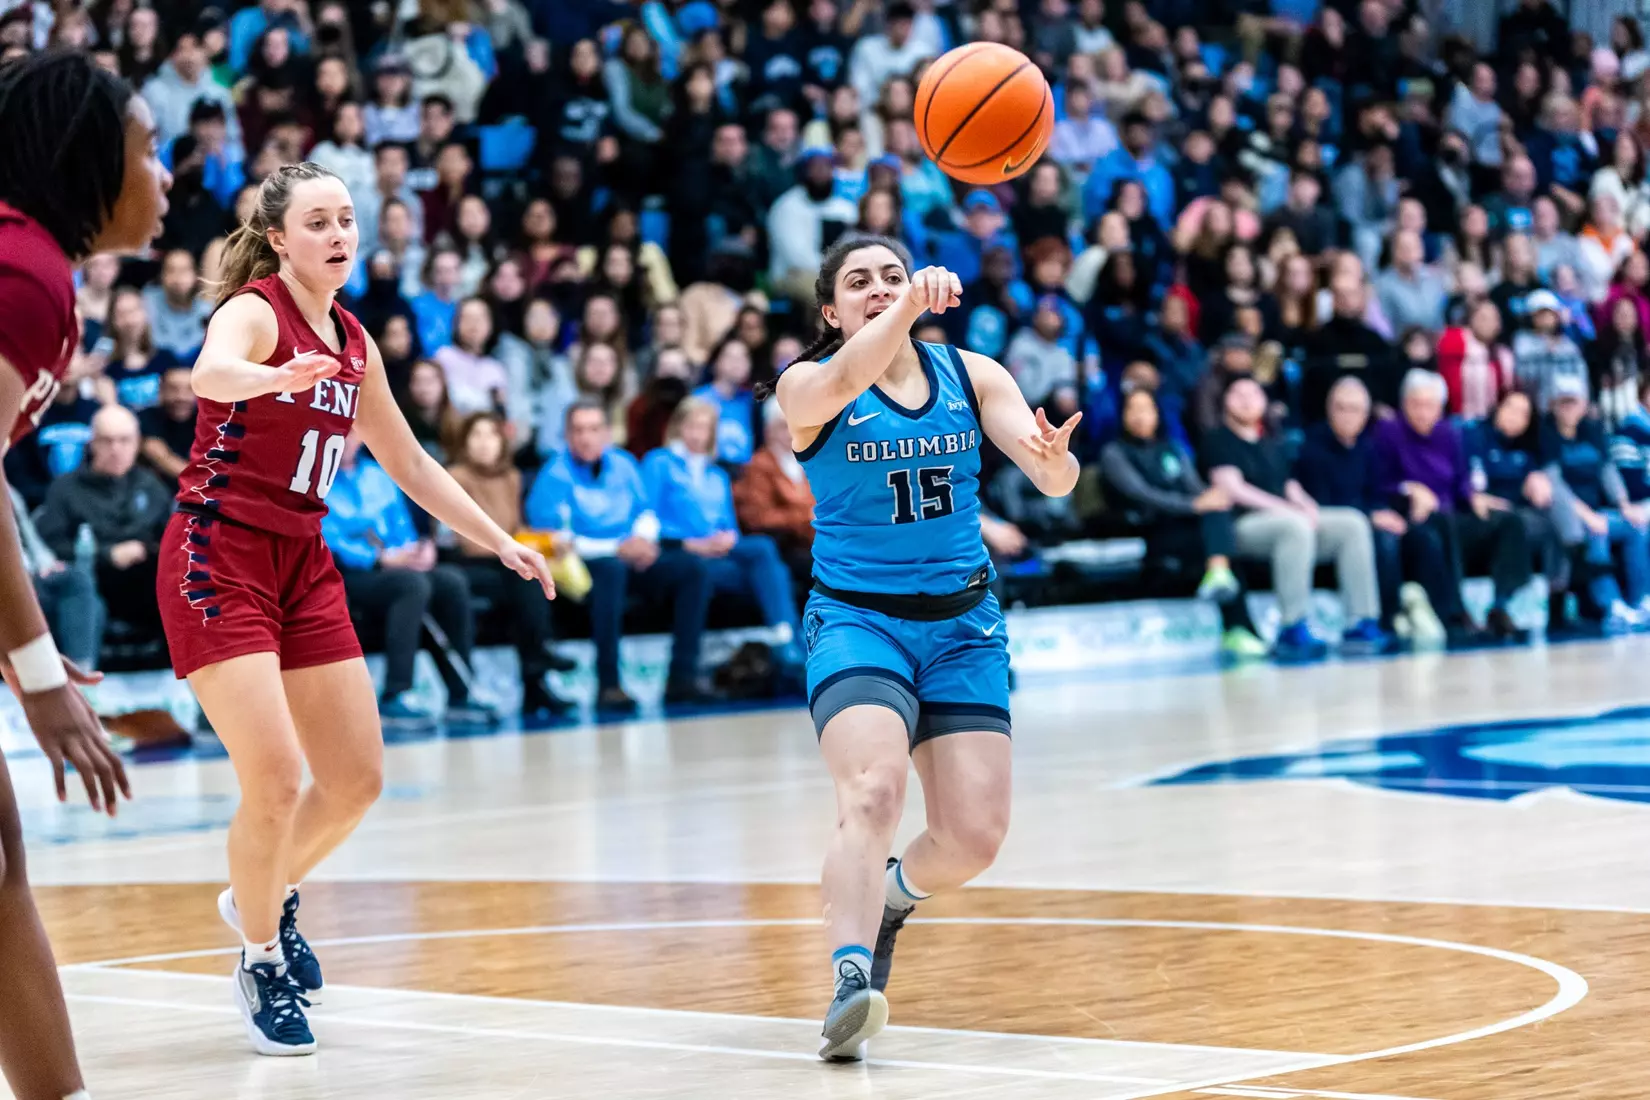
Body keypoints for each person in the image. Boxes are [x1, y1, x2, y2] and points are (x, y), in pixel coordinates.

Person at [155, 162, 554, 1057]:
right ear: (278, 239)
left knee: (358, 779)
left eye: (348, 219)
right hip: (218, 555)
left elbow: (411, 466)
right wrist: (270, 378)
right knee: (277, 779)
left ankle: (262, 891)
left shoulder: (355, 341)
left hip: (302, 558)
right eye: (319, 221)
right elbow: (211, 370)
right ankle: (259, 955)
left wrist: (500, 540)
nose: (340, 235)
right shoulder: (258, 310)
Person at [767, 234, 1081, 1060]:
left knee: (974, 838)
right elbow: (842, 378)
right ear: (831, 310)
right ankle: (849, 977)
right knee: (872, 792)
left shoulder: (973, 375)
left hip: (963, 626)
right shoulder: (805, 386)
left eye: (894, 276)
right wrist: (909, 308)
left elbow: (1048, 473)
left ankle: (895, 897)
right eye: (860, 283)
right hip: (858, 620)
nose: (881, 289)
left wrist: (1056, 466)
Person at [0, 50, 169, 1100]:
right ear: (87, 159)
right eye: (149, 148)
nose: (168, 173)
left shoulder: (33, 270)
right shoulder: (24, 276)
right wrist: (37, 672)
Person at [525, 401, 713, 712]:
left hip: (630, 555)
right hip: (584, 566)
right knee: (611, 571)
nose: (586, 438)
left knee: (692, 569)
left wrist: (643, 539)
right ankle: (609, 685)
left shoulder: (623, 464)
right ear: (567, 436)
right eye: (579, 430)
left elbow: (646, 511)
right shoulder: (554, 474)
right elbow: (555, 539)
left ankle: (683, 678)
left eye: (594, 429)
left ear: (607, 434)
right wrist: (617, 548)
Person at [1203, 376, 1387, 660]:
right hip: (1241, 525)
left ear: (1264, 402)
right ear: (1224, 401)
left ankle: (1360, 621)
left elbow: (1289, 484)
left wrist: (1307, 505)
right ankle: (1292, 625)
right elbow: (1233, 488)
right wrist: (1286, 509)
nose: (1246, 399)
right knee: (1295, 526)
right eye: (1237, 393)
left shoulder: (1272, 441)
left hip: (1284, 518)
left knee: (1351, 523)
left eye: (1253, 393)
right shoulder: (1217, 439)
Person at [1100, 387, 1266, 660]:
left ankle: (1221, 576)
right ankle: (1238, 627)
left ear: (1157, 414)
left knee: (1217, 515)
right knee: (1220, 542)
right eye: (1133, 409)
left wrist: (1212, 497)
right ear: (1122, 415)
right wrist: (1194, 505)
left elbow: (1194, 487)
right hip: (1151, 531)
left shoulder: (1172, 449)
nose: (1140, 416)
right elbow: (1143, 495)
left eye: (1147, 409)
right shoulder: (1114, 454)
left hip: (1186, 527)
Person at [642, 398, 805, 677]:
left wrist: (727, 538)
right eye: (691, 425)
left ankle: (785, 635)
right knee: (765, 570)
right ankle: (788, 640)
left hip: (721, 552)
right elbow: (645, 520)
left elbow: (729, 524)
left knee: (763, 551)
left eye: (704, 428)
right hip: (681, 553)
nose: (697, 433)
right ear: (678, 426)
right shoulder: (659, 462)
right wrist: (693, 544)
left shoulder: (717, 474)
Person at [1373, 369, 1532, 641]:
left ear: (1440, 408)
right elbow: (1377, 482)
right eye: (1416, 404)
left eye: (1430, 406)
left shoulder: (1449, 433)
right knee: (1441, 523)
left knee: (1509, 519)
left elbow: (1461, 480)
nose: (1423, 413)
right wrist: (1407, 489)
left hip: (1451, 513)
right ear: (1404, 404)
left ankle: (1501, 606)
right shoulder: (1387, 433)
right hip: (1414, 520)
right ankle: (1455, 613)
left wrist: (1473, 495)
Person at [445, 412, 575, 717]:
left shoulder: (512, 477)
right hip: (468, 562)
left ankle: (536, 682)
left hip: (504, 561)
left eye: (490, 434)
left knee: (528, 576)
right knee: (523, 578)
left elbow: (517, 528)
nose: (483, 443)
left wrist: (547, 542)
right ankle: (540, 661)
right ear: (464, 442)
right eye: (475, 435)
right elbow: (466, 541)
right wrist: (511, 549)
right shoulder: (455, 476)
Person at [34, 405, 171, 637]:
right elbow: (52, 547)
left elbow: (173, 540)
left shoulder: (151, 485)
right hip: (89, 581)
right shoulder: (65, 489)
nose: (115, 449)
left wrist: (143, 549)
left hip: (146, 579)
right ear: (92, 443)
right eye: (107, 441)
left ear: (137, 443)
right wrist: (108, 554)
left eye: (124, 440)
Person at [1541, 375, 1650, 631]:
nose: (1568, 409)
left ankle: (1641, 600)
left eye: (1573, 403)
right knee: (1595, 532)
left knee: (1636, 526)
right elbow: (1555, 484)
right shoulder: (1546, 436)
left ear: (1583, 405)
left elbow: (1607, 472)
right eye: (1563, 403)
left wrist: (1624, 504)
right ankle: (1610, 605)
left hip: (1601, 510)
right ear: (1553, 405)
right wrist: (1586, 515)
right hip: (1570, 514)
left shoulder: (1592, 431)